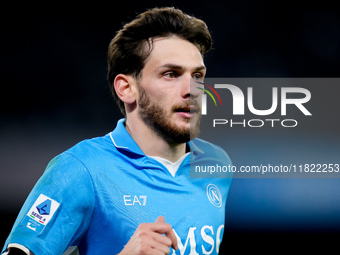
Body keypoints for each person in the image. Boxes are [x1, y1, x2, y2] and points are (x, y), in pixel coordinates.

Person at [2, 7, 233, 255]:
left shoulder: (217, 164)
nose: (192, 90)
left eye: (198, 75)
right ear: (126, 88)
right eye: (170, 74)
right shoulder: (81, 169)